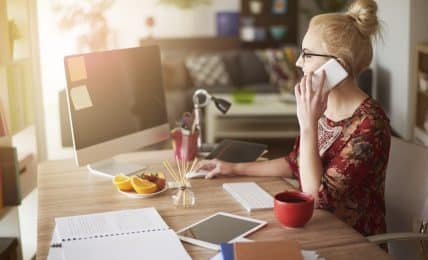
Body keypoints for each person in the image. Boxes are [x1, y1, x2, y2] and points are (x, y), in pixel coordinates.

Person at [196, 0, 391, 237]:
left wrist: (308, 124)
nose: (298, 63)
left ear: (337, 65)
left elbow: (316, 197)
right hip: (314, 229)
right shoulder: (322, 105)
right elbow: (295, 163)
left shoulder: (371, 123)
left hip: (349, 242)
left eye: (307, 55)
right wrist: (233, 168)